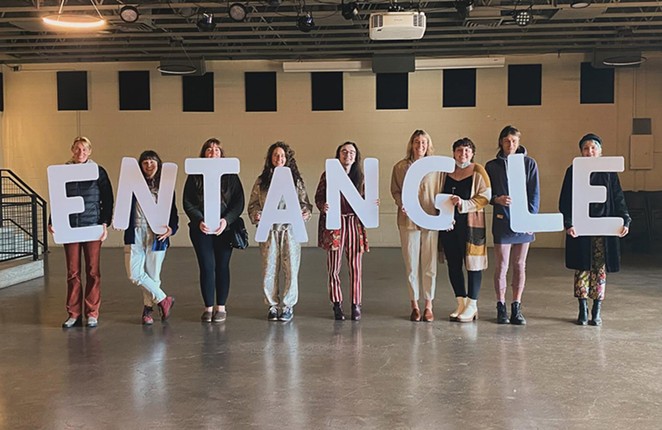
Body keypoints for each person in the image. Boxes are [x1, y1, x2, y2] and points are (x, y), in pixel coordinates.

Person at [559, 133, 630, 326]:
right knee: (582, 268)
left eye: (593, 147)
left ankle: (596, 310)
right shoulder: (573, 171)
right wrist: (569, 222)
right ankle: (582, 310)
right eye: (586, 148)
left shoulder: (609, 172)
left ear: (600, 151)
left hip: (603, 229)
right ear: (581, 152)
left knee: (600, 269)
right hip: (581, 229)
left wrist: (625, 219)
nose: (590, 151)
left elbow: (618, 198)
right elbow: (565, 200)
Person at [48, 136, 114, 328]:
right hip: (71, 228)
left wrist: (104, 224)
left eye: (84, 149)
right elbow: (58, 197)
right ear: (72, 150)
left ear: (90, 151)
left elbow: (107, 199)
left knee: (93, 271)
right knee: (72, 272)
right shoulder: (63, 171)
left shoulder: (98, 172)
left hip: (92, 226)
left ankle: (92, 313)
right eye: (77, 149)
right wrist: (54, 221)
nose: (81, 153)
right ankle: (74, 314)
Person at [248, 142, 312, 322]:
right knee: (269, 268)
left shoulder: (296, 181)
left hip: (290, 230)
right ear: (270, 159)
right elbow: (253, 204)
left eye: (282, 155)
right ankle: (273, 305)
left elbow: (305, 203)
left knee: (291, 267)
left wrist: (305, 212)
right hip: (269, 230)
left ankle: (288, 305)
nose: (279, 158)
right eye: (275, 155)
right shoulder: (262, 182)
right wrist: (256, 214)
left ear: (288, 158)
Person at [183, 138, 245, 323]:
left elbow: (238, 202)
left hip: (224, 229)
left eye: (217, 150)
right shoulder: (194, 175)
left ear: (222, 154)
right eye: (209, 150)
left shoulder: (231, 175)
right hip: (201, 229)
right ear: (203, 154)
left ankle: (221, 307)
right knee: (207, 267)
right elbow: (187, 202)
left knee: (222, 267)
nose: (213, 153)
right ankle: (208, 307)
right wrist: (199, 220)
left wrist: (226, 221)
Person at [485, 126, 540, 325]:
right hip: (502, 221)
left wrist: (530, 219)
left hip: (523, 223)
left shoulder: (529, 163)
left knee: (519, 265)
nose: (511, 144)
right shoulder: (491, 166)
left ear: (519, 143)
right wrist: (496, 199)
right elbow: (485, 193)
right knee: (502, 266)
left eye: (514, 141)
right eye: (507, 141)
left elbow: (534, 193)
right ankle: (501, 306)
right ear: (501, 142)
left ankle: (516, 306)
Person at [315, 141, 370, 321]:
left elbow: (367, 199)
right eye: (344, 151)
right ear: (338, 155)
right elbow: (319, 196)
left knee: (356, 266)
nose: (348, 155)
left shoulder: (361, 177)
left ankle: (356, 304)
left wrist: (372, 204)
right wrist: (323, 206)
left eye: (352, 152)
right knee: (334, 267)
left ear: (356, 156)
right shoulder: (328, 175)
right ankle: (337, 303)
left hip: (354, 222)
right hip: (335, 224)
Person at [438, 138, 491, 323]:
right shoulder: (445, 171)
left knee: (473, 264)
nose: (463, 154)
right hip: (448, 224)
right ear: (453, 152)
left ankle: (472, 304)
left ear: (472, 153)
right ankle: (460, 302)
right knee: (454, 263)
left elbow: (486, 196)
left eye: (467, 150)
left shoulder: (478, 170)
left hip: (470, 222)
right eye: (459, 150)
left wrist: (464, 203)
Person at [390, 130, 441, 322]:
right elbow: (395, 191)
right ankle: (414, 305)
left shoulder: (436, 168)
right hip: (408, 221)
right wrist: (400, 203)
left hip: (430, 220)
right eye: (417, 141)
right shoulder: (400, 167)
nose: (421, 145)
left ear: (429, 144)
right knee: (411, 265)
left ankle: (429, 304)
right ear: (411, 144)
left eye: (424, 142)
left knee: (430, 265)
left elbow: (441, 191)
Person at [123, 150, 178, 325]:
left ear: (158, 164)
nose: (148, 165)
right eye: (145, 162)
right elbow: (123, 208)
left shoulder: (165, 186)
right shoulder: (131, 186)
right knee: (134, 273)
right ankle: (163, 299)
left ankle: (148, 310)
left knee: (153, 275)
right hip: (136, 232)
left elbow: (173, 213)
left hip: (157, 235)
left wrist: (171, 230)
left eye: (152, 162)